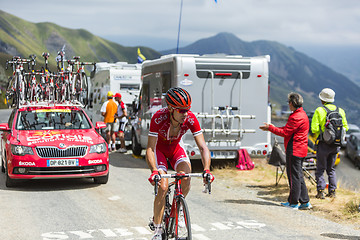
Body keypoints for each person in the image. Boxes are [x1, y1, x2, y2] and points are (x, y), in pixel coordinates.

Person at [146, 87, 214, 240]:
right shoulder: (158, 118)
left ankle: (179, 210)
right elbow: (150, 148)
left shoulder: (190, 118)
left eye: (187, 110)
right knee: (163, 186)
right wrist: (154, 170)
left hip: (176, 149)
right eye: (182, 110)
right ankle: (157, 230)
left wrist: (207, 169)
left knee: (186, 177)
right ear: (170, 108)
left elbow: (203, 147)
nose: (185, 114)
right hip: (160, 151)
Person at [260, 92, 311, 210]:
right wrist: (272, 127)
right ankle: (305, 202)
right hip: (301, 149)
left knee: (293, 177)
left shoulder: (295, 117)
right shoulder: (302, 114)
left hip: (294, 150)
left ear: (292, 103)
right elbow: (288, 129)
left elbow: (285, 133)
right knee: (299, 175)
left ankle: (293, 202)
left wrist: (270, 128)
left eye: (288, 102)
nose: (288, 104)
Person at [311, 88, 348, 199]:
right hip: (336, 145)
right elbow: (346, 127)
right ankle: (332, 192)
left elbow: (313, 129)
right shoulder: (340, 110)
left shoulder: (319, 110)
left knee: (320, 168)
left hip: (323, 144)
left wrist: (324, 134)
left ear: (322, 99)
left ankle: (321, 191)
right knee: (331, 169)